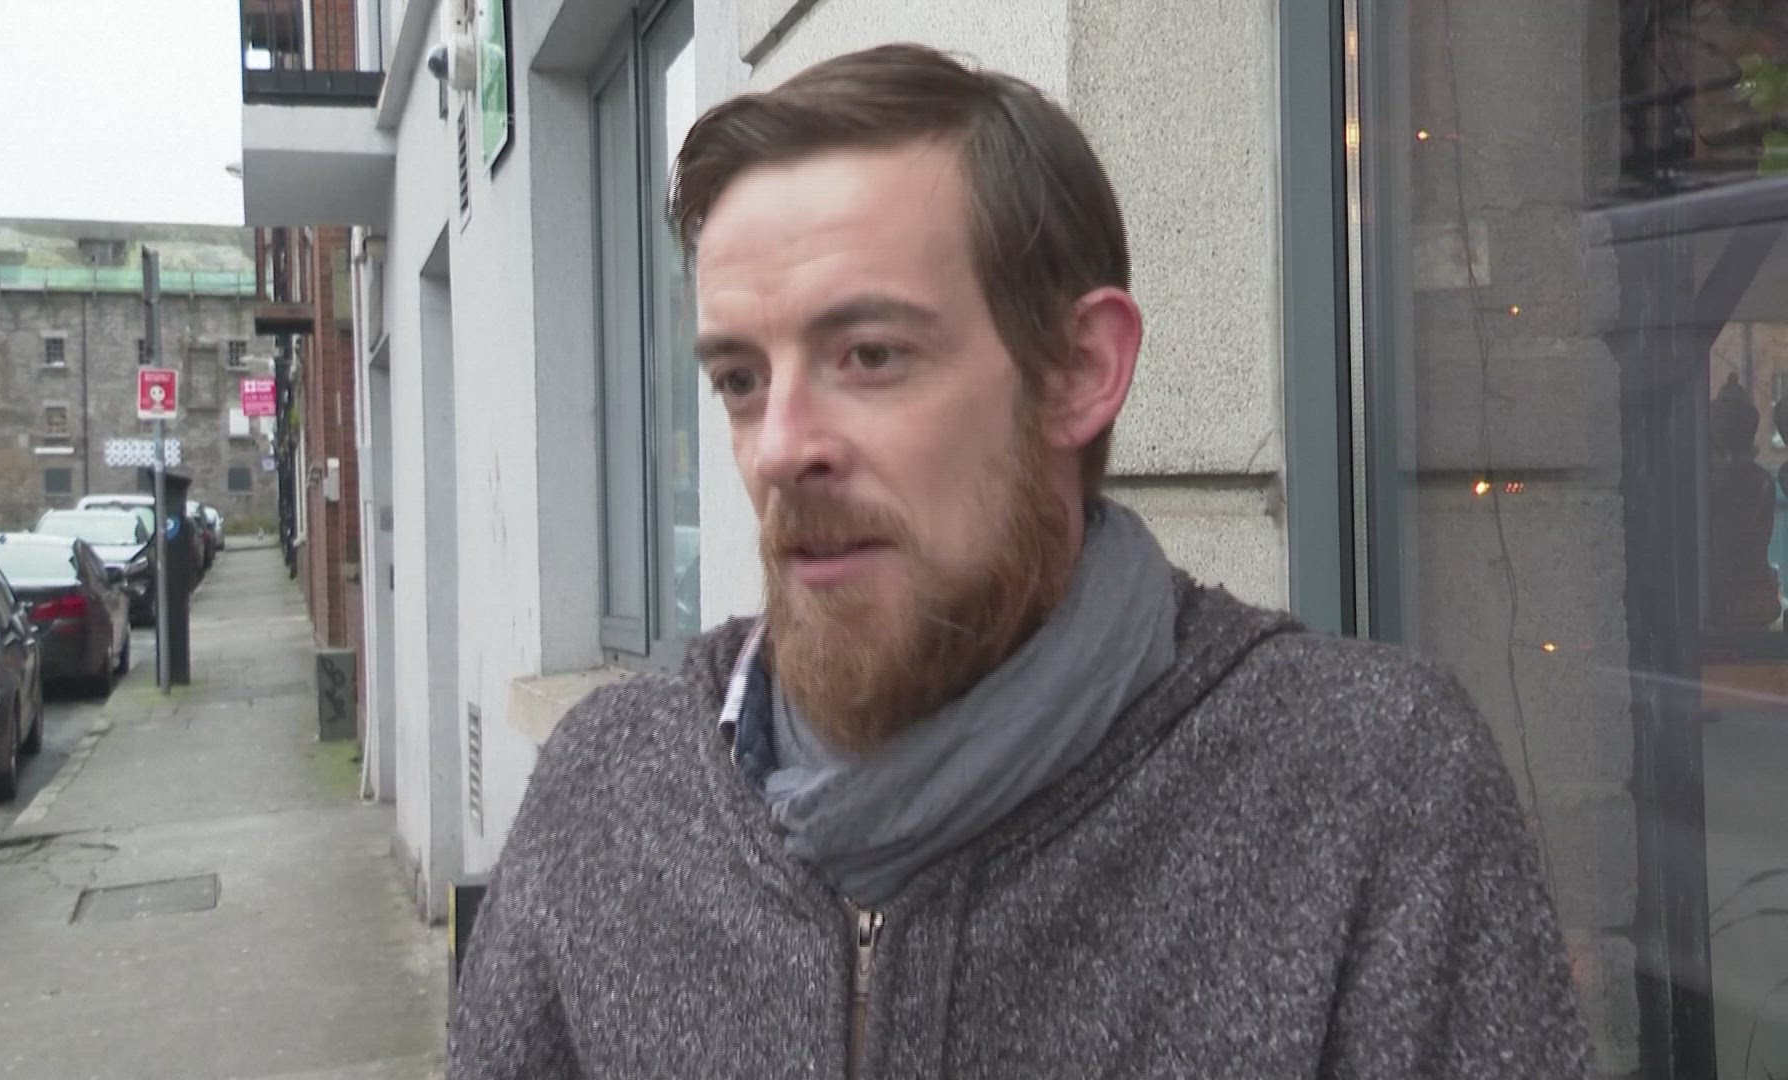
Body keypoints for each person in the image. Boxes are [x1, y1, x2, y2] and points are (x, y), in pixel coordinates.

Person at [449, 43, 1589, 1078]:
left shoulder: (1368, 787)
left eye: (870, 354)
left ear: (1080, 371)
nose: (780, 447)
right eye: (742, 380)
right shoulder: (609, 792)